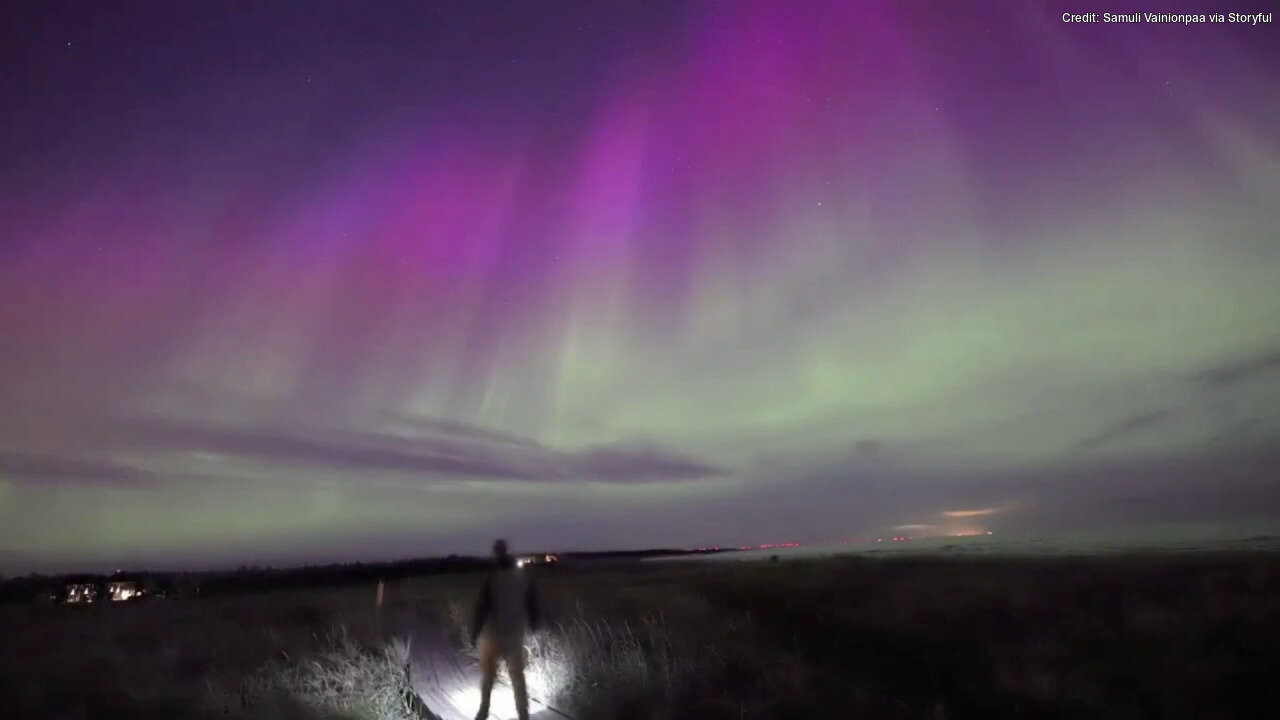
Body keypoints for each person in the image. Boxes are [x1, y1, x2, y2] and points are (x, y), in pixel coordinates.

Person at [469, 538, 541, 720]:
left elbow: (482, 608)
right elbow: (531, 603)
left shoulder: (491, 578)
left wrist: (474, 633)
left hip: (492, 634)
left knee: (488, 676)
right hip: (514, 633)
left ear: (495, 553)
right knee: (517, 676)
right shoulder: (522, 578)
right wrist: (534, 623)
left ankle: (483, 712)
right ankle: (523, 714)